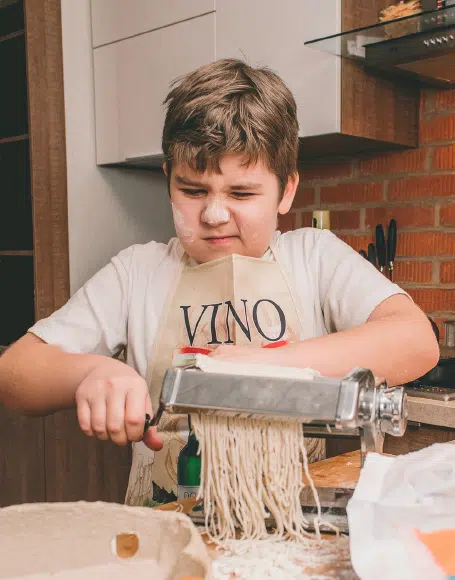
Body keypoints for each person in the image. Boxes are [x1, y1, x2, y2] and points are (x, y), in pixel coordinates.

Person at [0, 59, 439, 506]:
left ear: (286, 190)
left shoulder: (315, 257)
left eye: (242, 193)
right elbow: (15, 373)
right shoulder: (137, 273)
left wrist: (265, 365)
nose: (213, 215)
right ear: (168, 180)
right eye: (193, 191)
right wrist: (91, 372)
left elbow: (415, 340)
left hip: (289, 521)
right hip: (167, 523)